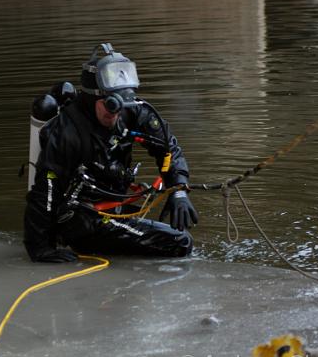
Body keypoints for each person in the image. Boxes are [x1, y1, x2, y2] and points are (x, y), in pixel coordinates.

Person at [24, 44, 198, 263]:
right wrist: (40, 248)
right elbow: (46, 189)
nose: (115, 114)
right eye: (109, 106)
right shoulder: (68, 133)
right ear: (91, 99)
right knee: (180, 242)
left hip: (113, 205)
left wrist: (178, 189)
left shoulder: (133, 111)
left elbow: (168, 149)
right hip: (82, 219)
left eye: (120, 107)